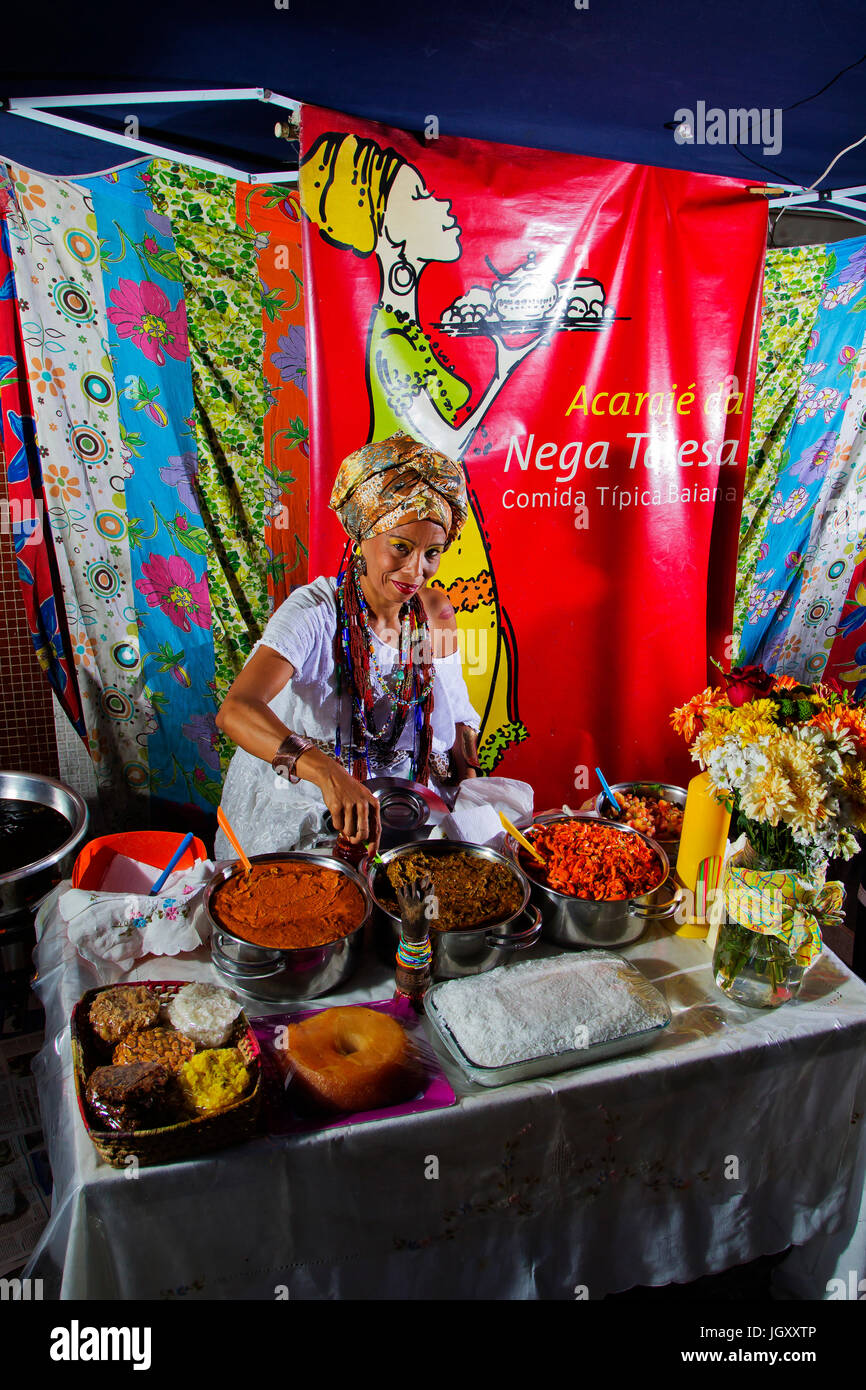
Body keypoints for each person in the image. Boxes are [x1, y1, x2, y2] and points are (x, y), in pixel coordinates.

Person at [213, 432, 482, 859]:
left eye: (432, 552)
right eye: (400, 547)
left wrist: (473, 794)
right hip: (307, 797)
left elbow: (457, 719)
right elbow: (236, 710)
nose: (416, 571)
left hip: (403, 805)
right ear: (362, 537)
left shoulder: (434, 615)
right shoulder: (315, 612)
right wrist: (327, 774)